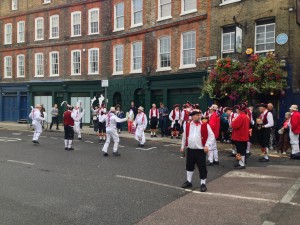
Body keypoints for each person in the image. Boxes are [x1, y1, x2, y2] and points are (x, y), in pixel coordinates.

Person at [180, 110, 215, 192]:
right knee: (189, 166)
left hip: (200, 150)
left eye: (199, 115)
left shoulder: (205, 125)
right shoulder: (188, 125)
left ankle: (203, 183)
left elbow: (211, 136)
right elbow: (184, 136)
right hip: (190, 149)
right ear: (192, 117)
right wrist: (182, 146)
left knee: (202, 167)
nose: (198, 116)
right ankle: (189, 181)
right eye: (196, 115)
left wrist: (207, 145)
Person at [231, 104, 250, 169]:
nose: (236, 110)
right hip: (242, 136)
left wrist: (233, 121)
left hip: (239, 137)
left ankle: (242, 164)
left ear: (239, 110)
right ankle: (240, 162)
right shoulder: (245, 116)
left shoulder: (240, 117)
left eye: (237, 109)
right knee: (240, 151)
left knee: (241, 151)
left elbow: (234, 126)